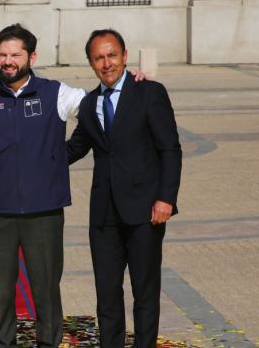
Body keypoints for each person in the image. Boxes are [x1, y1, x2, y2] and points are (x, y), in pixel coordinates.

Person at [0, 24, 147, 348]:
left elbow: (98, 108)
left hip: (44, 212)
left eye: (15, 55)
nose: (8, 61)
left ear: (31, 56)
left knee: (46, 290)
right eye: (2, 55)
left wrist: (61, 155)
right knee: (0, 292)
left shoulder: (55, 93)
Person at [66, 29, 182, 348]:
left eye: (112, 55)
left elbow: (170, 149)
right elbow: (73, 149)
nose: (107, 63)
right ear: (91, 63)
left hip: (146, 211)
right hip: (103, 217)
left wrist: (165, 199)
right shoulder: (90, 104)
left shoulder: (150, 92)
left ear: (125, 55)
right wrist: (25, 157)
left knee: (144, 294)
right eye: (99, 58)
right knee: (107, 297)